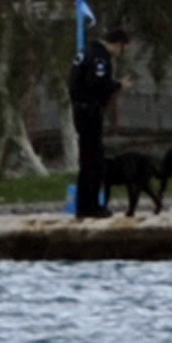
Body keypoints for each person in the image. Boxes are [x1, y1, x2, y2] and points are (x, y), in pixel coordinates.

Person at [66, 26, 127, 220]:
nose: (120, 53)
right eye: (122, 48)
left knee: (88, 158)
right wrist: (118, 85)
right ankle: (90, 205)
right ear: (117, 44)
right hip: (90, 111)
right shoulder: (100, 57)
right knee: (94, 159)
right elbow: (97, 84)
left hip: (80, 109)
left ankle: (84, 205)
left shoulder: (86, 51)